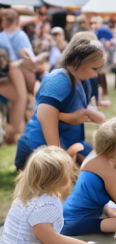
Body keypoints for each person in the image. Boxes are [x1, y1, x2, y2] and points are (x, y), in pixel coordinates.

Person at [0, 146, 101, 244]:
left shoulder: (30, 194)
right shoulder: (44, 205)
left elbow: (48, 241)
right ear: (58, 178)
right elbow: (53, 241)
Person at [14, 33, 106, 170]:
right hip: (39, 150)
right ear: (78, 62)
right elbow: (44, 114)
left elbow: (73, 111)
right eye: (94, 68)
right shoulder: (58, 80)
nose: (96, 74)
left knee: (102, 168)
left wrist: (88, 113)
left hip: (68, 145)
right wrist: (58, 160)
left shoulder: (84, 81)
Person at [62, 118, 116, 236]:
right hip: (74, 220)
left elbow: (94, 195)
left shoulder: (95, 156)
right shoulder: (107, 169)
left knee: (112, 212)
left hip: (70, 211)